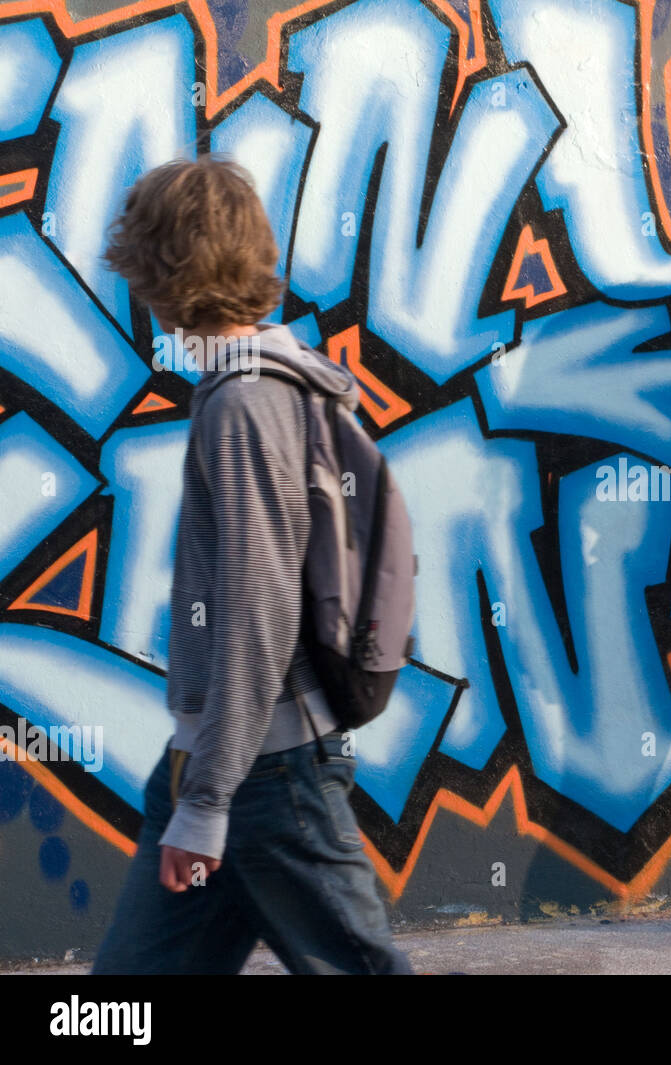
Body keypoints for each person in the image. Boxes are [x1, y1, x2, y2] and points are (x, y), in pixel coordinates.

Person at [92, 156, 411, 973]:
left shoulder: (244, 403)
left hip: (268, 779)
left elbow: (259, 613)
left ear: (164, 268)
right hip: (226, 764)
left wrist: (206, 800)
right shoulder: (268, 383)